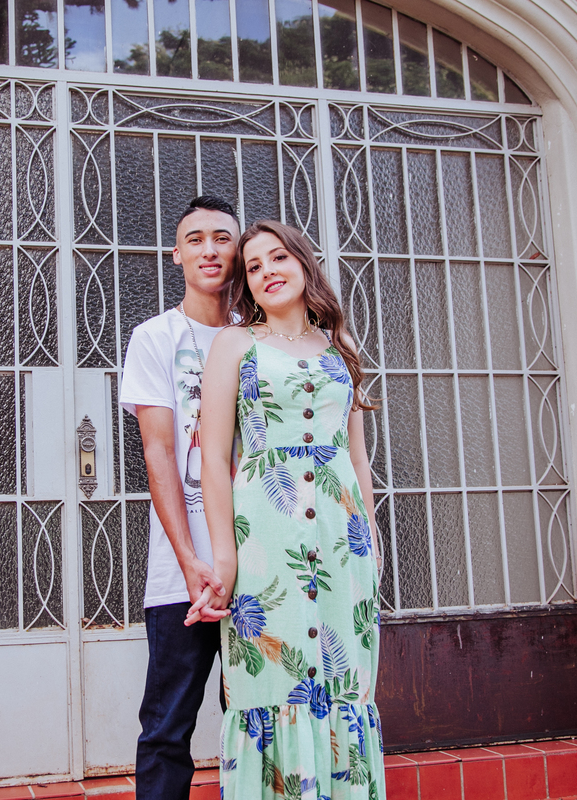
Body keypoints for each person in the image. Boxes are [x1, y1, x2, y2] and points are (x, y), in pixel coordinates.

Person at [189, 220, 386, 799]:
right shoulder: (234, 345)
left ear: (303, 263)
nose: (268, 271)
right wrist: (225, 558)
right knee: (272, 681)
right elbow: (213, 459)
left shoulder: (340, 347)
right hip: (266, 541)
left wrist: (371, 539)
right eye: (253, 266)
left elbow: (357, 457)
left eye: (278, 258)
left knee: (345, 681)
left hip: (342, 541)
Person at [120, 196, 243, 800]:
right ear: (177, 255)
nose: (209, 250)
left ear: (239, 251)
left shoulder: (258, 336)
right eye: (195, 240)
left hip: (260, 563)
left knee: (258, 717)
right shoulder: (155, 337)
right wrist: (190, 559)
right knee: (168, 727)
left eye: (222, 238)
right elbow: (160, 453)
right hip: (182, 575)